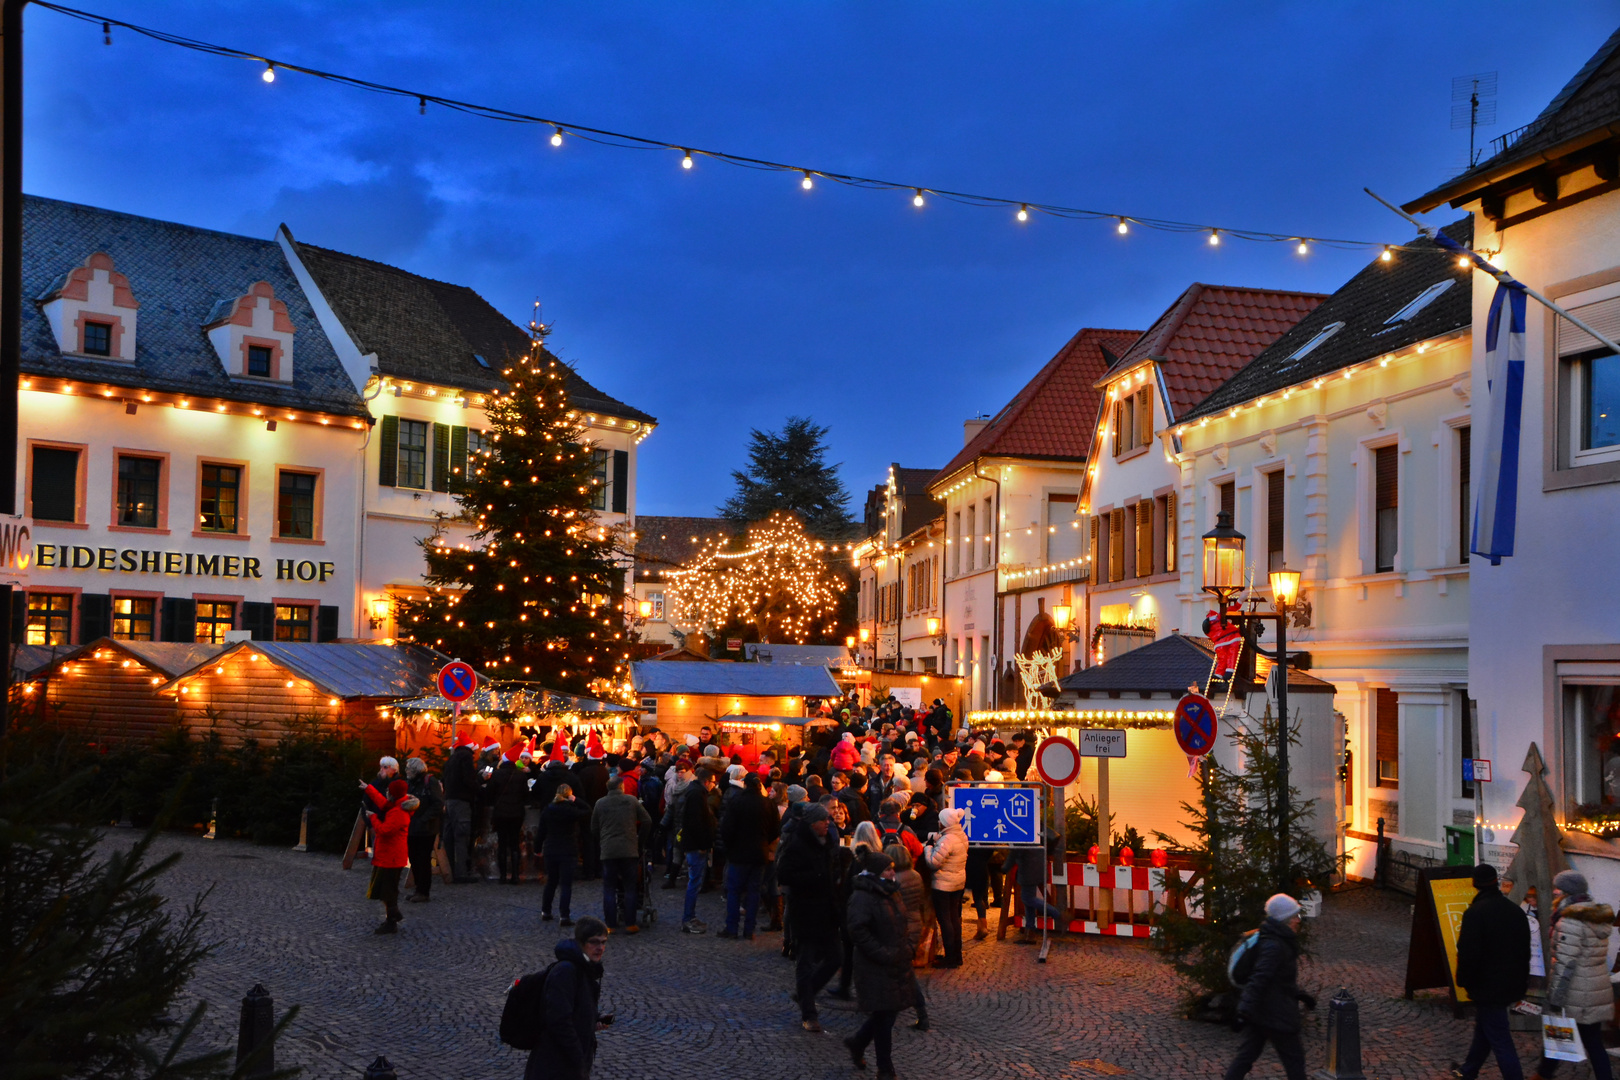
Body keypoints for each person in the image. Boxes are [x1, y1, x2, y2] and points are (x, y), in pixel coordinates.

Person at [842, 850, 919, 1080]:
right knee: (884, 1015)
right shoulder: (863, 896)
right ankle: (885, 1068)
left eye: (892, 867)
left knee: (887, 1013)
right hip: (875, 964)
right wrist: (882, 953)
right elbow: (857, 930)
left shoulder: (890, 891)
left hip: (895, 960)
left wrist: (908, 947)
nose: (893, 872)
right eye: (888, 869)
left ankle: (858, 1042)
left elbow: (902, 922)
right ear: (876, 872)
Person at [1530, 869, 1613, 1080]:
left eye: (1558, 888)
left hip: (1575, 992)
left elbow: (1565, 963)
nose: (1555, 892)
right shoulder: (1594, 917)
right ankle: (1542, 1074)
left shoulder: (1571, 920)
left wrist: (1555, 999)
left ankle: (1542, 1075)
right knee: (1575, 1038)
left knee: (1562, 1035)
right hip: (1594, 989)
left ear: (1568, 892)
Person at [1451, 863, 1530, 1080]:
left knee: (1499, 1037)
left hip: (1487, 985)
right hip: (1511, 982)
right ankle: (1469, 1070)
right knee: (1485, 1029)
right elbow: (1525, 950)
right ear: (1495, 881)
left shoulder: (1475, 913)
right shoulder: (1515, 911)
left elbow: (1469, 954)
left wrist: (1465, 981)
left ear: (1475, 883)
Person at [1225, 894, 1315, 1080]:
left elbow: (1277, 980)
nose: (1298, 921)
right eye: (1295, 917)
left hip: (1261, 1013)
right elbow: (1260, 978)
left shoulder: (1274, 939)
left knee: (1245, 1057)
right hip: (1276, 1014)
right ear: (1285, 920)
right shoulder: (1274, 945)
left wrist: (1300, 994)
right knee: (1294, 1062)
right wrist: (1242, 1011)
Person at [778, 801, 842, 1032]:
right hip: (805, 910)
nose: (828, 822)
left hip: (826, 909)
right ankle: (808, 1012)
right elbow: (783, 873)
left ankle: (807, 992)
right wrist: (814, 876)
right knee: (805, 961)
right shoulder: (797, 843)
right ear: (813, 823)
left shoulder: (826, 842)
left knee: (836, 957)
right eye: (824, 819)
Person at [524, 917, 610, 1080]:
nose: (600, 948)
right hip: (555, 1066)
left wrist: (595, 1021)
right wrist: (578, 1060)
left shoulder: (585, 969)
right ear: (580, 943)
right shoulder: (566, 972)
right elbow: (559, 1021)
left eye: (603, 942)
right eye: (594, 942)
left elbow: (575, 1012)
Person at [719, 773, 779, 939]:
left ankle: (732, 928)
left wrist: (730, 845)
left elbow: (726, 828)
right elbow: (775, 829)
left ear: (745, 785)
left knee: (734, 891)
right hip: (760, 852)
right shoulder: (768, 804)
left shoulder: (736, 802)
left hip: (738, 853)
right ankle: (749, 930)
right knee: (754, 891)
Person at [590, 776, 651, 934]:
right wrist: (640, 840)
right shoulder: (631, 801)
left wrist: (602, 840)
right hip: (629, 849)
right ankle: (630, 923)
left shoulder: (600, 803)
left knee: (609, 888)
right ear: (622, 787)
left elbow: (594, 828)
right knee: (630, 887)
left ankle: (610, 925)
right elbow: (647, 821)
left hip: (609, 850)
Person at [885, 843, 930, 1032]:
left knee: (904, 973)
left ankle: (918, 1013)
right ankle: (920, 1014)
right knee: (905, 970)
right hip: (915, 924)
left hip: (901, 927)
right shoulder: (916, 876)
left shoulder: (895, 880)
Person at [537, 784, 590, 926]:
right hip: (568, 849)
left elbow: (541, 831)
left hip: (551, 848)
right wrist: (576, 800)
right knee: (566, 884)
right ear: (569, 795)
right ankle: (564, 915)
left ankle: (546, 911)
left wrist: (537, 848)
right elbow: (587, 810)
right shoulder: (570, 810)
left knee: (551, 881)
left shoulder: (548, 810)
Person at [922, 807, 968, 968]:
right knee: (954, 919)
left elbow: (934, 862)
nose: (938, 823)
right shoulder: (960, 835)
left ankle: (950, 957)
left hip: (943, 884)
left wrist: (928, 848)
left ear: (945, 823)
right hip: (958, 881)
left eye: (940, 821)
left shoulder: (948, 840)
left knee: (945, 920)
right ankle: (957, 955)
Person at [365, 779, 413, 934]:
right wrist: (369, 788)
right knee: (387, 889)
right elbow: (383, 803)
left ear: (393, 794)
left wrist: (373, 818)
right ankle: (393, 916)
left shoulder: (398, 812)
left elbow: (384, 830)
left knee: (388, 890)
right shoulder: (398, 805)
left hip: (391, 857)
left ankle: (392, 919)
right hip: (389, 856)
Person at [679, 768, 720, 933]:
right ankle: (688, 918)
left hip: (695, 844)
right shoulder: (697, 795)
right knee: (694, 882)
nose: (714, 785)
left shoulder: (696, 792)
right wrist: (703, 844)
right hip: (696, 846)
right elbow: (696, 823)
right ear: (706, 781)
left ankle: (690, 917)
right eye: (713, 782)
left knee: (695, 881)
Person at [403, 757, 444, 904]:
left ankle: (423, 891)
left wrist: (423, 819)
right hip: (413, 826)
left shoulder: (430, 782)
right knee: (414, 858)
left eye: (408, 768)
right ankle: (418, 889)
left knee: (423, 859)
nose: (406, 770)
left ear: (415, 770)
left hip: (426, 828)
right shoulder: (411, 783)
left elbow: (438, 804)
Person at [442, 734, 479, 882]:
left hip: (450, 800)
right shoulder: (466, 758)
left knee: (450, 836)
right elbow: (468, 779)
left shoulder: (451, 759)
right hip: (462, 801)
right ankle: (461, 873)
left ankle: (449, 869)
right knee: (462, 836)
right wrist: (480, 784)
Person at [492, 743, 530, 885]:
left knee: (502, 843)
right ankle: (515, 875)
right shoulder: (521, 775)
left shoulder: (496, 774)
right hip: (516, 813)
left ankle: (502, 876)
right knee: (515, 844)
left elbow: (490, 792)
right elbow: (525, 794)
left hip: (500, 813)